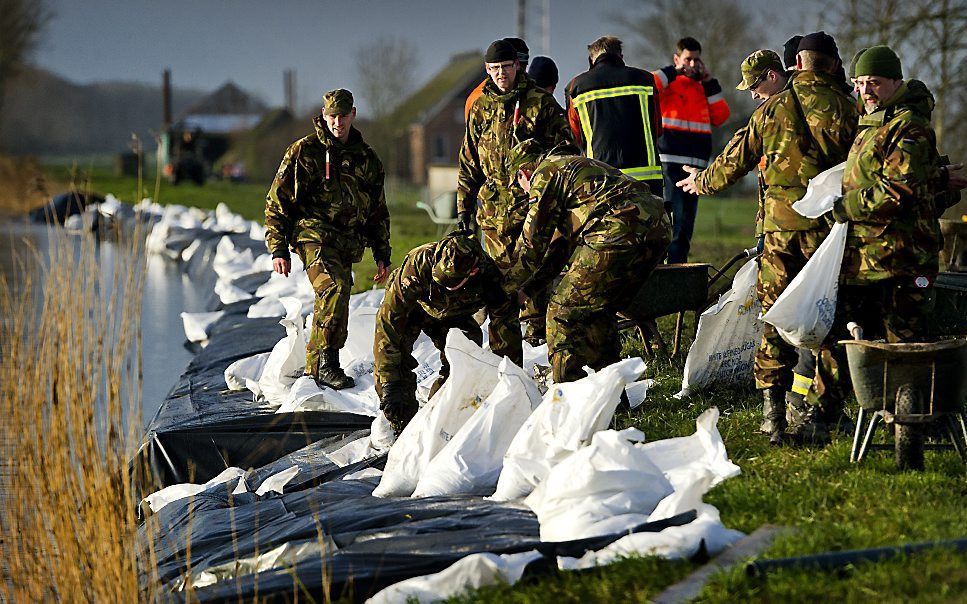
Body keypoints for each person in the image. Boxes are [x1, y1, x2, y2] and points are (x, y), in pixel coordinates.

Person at [676, 33, 859, 444]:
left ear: (797, 64)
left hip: (777, 234)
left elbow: (732, 161)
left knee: (773, 320)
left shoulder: (771, 110)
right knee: (829, 319)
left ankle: (772, 415)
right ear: (833, 64)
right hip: (826, 236)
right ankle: (823, 414)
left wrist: (699, 183)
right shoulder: (849, 109)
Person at [824, 45, 966, 403]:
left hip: (901, 259)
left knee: (905, 345)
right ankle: (838, 414)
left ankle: (909, 422)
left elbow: (896, 190)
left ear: (895, 81)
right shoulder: (872, 120)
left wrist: (842, 208)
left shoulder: (909, 127)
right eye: (858, 83)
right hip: (866, 259)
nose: (864, 91)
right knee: (847, 337)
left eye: (873, 82)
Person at [506, 139, 671, 384]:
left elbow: (531, 246)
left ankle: (567, 393)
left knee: (562, 310)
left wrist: (505, 287)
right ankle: (611, 392)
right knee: (597, 310)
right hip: (658, 227)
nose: (524, 192)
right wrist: (527, 290)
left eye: (520, 186)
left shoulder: (546, 172)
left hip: (617, 229)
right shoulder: (572, 170)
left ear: (523, 173)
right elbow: (557, 251)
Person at [264, 89, 391, 390]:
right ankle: (327, 363)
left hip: (347, 241)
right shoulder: (304, 152)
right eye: (332, 116)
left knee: (332, 296)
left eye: (343, 116)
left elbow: (377, 210)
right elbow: (277, 202)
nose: (337, 123)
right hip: (312, 236)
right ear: (323, 115)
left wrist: (382, 253)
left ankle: (313, 369)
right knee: (334, 285)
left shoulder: (367, 159)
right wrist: (278, 248)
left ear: (353, 115)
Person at [457, 39, 574, 345]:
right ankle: (505, 368)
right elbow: (469, 162)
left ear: (517, 66)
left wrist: (544, 189)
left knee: (533, 282)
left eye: (506, 67)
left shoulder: (540, 103)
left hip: (533, 211)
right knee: (499, 293)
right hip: (493, 215)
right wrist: (462, 210)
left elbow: (566, 154)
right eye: (494, 69)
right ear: (487, 70)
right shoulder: (480, 106)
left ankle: (538, 349)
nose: (500, 74)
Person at [373, 232, 523, 433]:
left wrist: (508, 380)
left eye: (450, 283)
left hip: (455, 314)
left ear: (473, 272)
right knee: (394, 374)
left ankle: (441, 419)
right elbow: (388, 323)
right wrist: (389, 382)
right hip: (415, 307)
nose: (442, 286)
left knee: (466, 365)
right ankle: (403, 426)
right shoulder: (417, 265)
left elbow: (506, 331)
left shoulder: (492, 280)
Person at [652, 37, 731, 263]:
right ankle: (665, 270)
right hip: (670, 163)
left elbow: (722, 116)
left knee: (686, 227)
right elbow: (650, 83)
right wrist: (674, 71)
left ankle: (679, 269)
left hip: (696, 168)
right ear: (678, 59)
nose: (693, 64)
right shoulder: (668, 85)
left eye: (697, 59)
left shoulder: (702, 88)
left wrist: (709, 83)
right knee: (673, 225)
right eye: (688, 59)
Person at [564, 35, 663, 195]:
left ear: (592, 60)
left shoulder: (576, 87)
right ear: (621, 57)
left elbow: (575, 136)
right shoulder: (645, 79)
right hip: (646, 178)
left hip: (599, 177)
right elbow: (657, 128)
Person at [465, 37, 530, 121]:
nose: (519, 72)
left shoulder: (537, 98)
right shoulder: (478, 100)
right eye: (506, 65)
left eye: (522, 67)